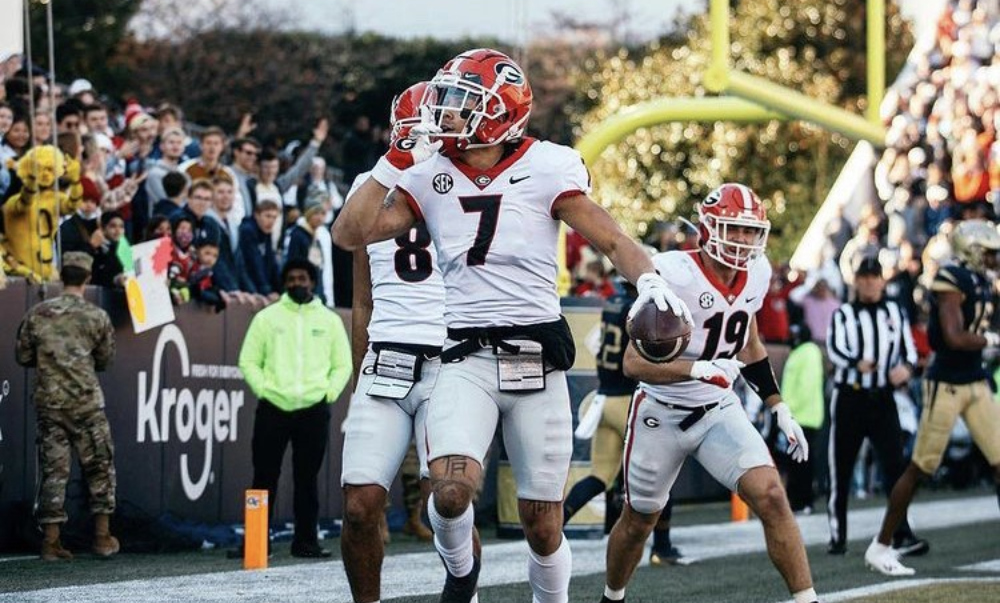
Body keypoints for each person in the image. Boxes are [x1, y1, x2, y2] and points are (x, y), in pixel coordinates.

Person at [333, 48, 688, 603]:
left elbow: (613, 238)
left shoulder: (547, 165)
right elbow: (349, 234)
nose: (445, 112)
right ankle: (461, 573)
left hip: (535, 358)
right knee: (450, 494)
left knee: (542, 522)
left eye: (460, 102)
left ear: (499, 111)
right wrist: (394, 160)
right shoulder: (429, 172)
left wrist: (651, 280)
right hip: (464, 358)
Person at [601, 183, 819, 603]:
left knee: (772, 497)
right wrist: (697, 368)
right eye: (733, 229)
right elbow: (634, 363)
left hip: (718, 409)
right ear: (707, 228)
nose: (742, 240)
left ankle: (807, 600)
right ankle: (612, 597)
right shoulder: (672, 273)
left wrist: (778, 405)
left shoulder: (757, 273)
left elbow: (750, 344)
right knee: (639, 520)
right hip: (660, 412)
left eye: (749, 231)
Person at [338, 80, 449, 603]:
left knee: (446, 502)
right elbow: (363, 299)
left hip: (451, 360)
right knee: (360, 507)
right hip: (387, 357)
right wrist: (358, 376)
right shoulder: (370, 183)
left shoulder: (471, 182)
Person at [865, 220, 1000, 576]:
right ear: (971, 250)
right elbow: (954, 337)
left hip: (974, 380)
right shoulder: (951, 278)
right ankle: (881, 545)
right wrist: (992, 341)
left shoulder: (983, 281)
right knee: (921, 467)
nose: (994, 258)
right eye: (988, 252)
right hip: (947, 383)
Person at [563, 273, 684, 565]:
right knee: (661, 476)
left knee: (599, 477)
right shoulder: (641, 307)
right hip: (629, 400)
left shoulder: (613, 303)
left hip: (603, 397)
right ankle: (663, 547)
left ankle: (552, 525)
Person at [236, 258, 352, 557]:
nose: (297, 283)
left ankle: (305, 542)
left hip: (314, 409)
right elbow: (248, 361)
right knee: (263, 477)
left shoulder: (330, 320)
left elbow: (343, 365)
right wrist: (264, 389)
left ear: (312, 282)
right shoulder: (267, 318)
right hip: (272, 407)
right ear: (284, 282)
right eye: (291, 279)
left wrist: (328, 394)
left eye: (302, 278)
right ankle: (255, 544)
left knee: (307, 479)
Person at [15, 252, 119, 560]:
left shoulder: (37, 313)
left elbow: (22, 356)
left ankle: (51, 542)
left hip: (50, 402)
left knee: (53, 471)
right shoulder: (97, 317)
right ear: (87, 279)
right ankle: (102, 539)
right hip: (87, 403)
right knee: (100, 468)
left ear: (62, 276)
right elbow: (105, 360)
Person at [826, 256, 926, 556]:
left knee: (895, 466)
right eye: (864, 277)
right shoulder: (843, 314)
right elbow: (835, 348)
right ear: (856, 281)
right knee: (841, 468)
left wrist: (907, 369)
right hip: (850, 397)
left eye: (874, 277)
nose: (869, 282)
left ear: (882, 280)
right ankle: (838, 536)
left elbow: (910, 351)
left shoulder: (894, 311)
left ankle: (901, 532)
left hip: (883, 397)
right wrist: (857, 362)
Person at [780, 322, 825, 515]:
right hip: (796, 415)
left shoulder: (808, 352)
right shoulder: (799, 352)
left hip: (804, 416)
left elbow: (806, 386)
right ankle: (796, 501)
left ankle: (802, 502)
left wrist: (786, 409)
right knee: (795, 462)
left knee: (801, 463)